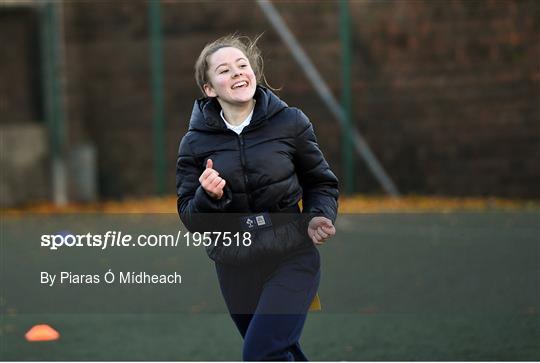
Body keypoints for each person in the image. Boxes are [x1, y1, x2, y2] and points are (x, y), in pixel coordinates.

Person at [176, 34, 339, 361]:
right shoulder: (193, 143)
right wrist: (207, 196)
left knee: (261, 351)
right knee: (279, 352)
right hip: (234, 263)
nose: (236, 73)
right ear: (209, 89)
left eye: (242, 65)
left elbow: (320, 182)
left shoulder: (291, 122)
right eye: (223, 70)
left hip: (292, 254)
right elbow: (190, 217)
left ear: (253, 73)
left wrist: (320, 214)